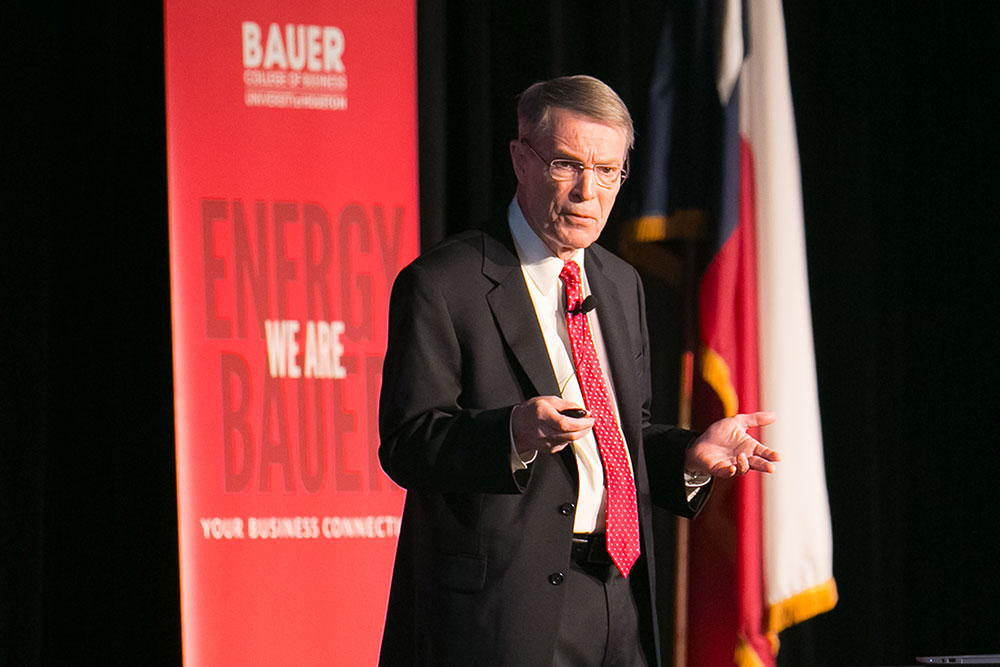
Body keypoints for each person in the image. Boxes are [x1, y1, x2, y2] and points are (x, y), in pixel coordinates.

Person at [377, 74, 779, 667]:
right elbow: (408, 444)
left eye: (608, 171)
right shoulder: (442, 284)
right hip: (502, 610)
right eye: (566, 165)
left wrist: (688, 456)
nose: (587, 192)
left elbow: (621, 435)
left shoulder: (619, 283)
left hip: (617, 595)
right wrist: (511, 433)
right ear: (520, 158)